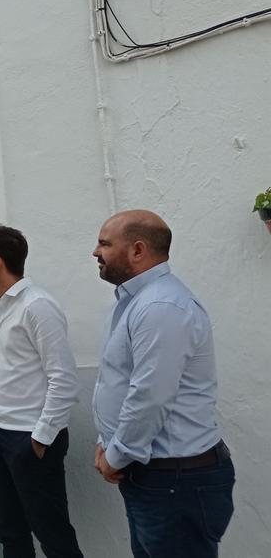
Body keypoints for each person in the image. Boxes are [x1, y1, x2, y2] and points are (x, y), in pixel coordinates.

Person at [91, 210, 235, 557]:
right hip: (158, 477)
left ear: (138, 250)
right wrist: (109, 443)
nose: (96, 252)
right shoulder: (140, 302)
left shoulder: (161, 306)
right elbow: (121, 381)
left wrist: (116, 454)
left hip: (174, 482)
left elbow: (149, 398)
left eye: (105, 243)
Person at [0, 226, 83, 558]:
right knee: (9, 531)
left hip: (28, 439)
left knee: (53, 533)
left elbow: (63, 377)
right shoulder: (2, 304)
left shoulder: (38, 306)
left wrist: (41, 437)